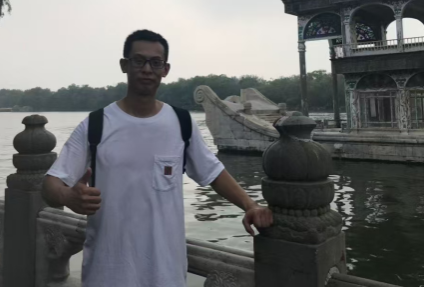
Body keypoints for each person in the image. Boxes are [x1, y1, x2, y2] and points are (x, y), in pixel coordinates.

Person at [42, 29, 273, 287]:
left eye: (155, 62)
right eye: (138, 61)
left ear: (165, 69)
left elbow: (213, 173)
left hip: (166, 274)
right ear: (124, 65)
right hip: (106, 274)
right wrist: (68, 197)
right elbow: (51, 184)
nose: (147, 69)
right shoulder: (96, 124)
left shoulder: (181, 123)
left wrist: (250, 206)